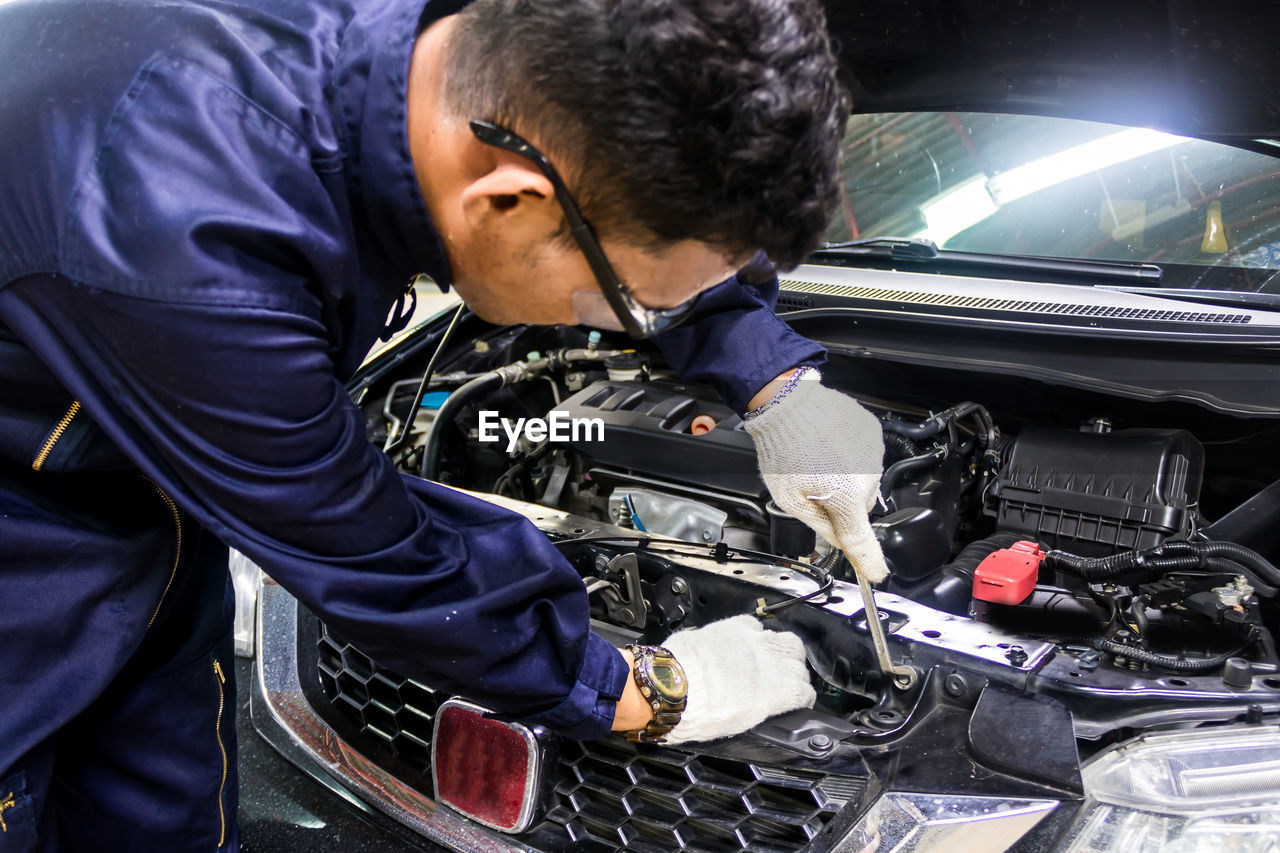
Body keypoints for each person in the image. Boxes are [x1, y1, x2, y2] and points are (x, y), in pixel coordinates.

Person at [0, 0, 889, 849]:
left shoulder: (470, 61)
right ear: (503, 201)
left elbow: (634, 204)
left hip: (147, 511)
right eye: (634, 307)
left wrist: (777, 383)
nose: (629, 327)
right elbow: (387, 559)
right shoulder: (189, 239)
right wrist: (656, 689)